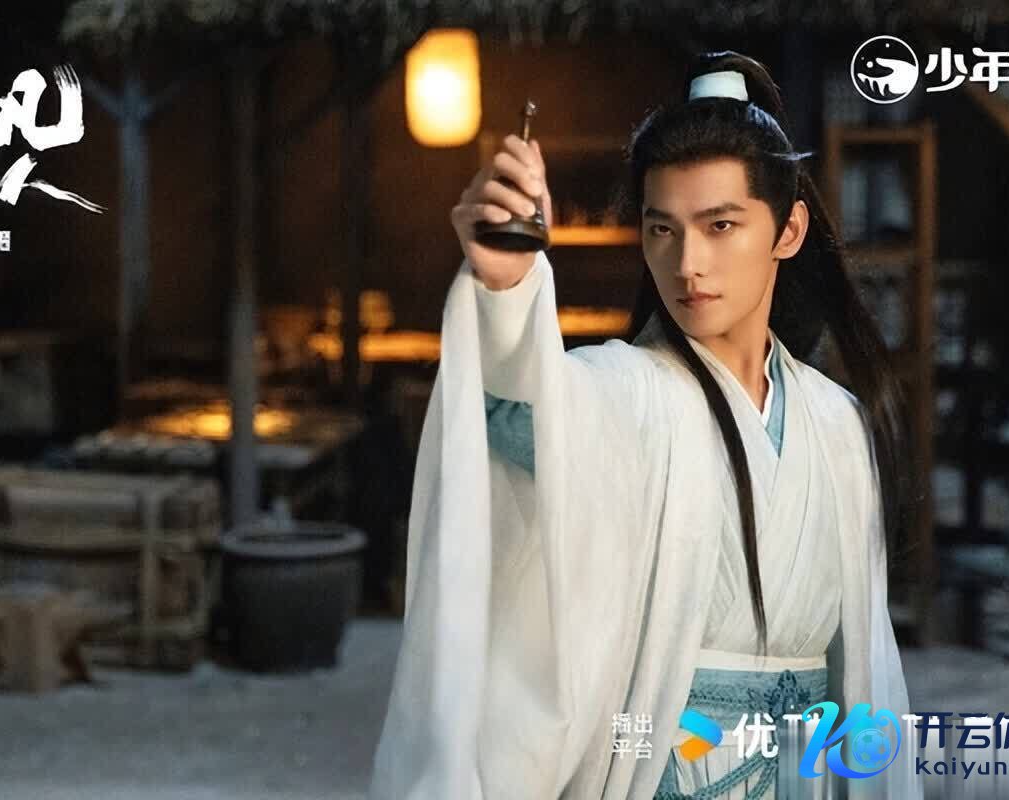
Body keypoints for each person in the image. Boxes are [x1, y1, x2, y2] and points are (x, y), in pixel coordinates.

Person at [368, 50, 923, 800]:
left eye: (720, 225)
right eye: (663, 229)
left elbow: (864, 666)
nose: (688, 262)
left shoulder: (836, 422)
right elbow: (530, 412)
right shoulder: (625, 392)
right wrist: (508, 289)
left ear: (788, 230)